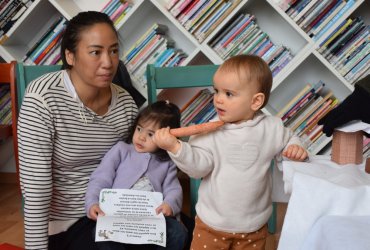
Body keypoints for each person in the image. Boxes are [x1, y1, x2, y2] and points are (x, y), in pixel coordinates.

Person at [154, 54, 308, 250]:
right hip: (211, 224)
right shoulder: (210, 131)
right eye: (216, 91)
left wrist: (295, 147)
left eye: (228, 94)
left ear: (255, 101)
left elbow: (290, 138)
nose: (218, 99)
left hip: (254, 226)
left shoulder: (271, 128)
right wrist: (175, 147)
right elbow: (197, 168)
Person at [17, 11, 138, 250]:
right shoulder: (42, 98)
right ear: (70, 56)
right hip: (67, 222)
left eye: (113, 51)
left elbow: (136, 166)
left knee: (181, 233)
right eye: (96, 52)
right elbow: (36, 190)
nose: (108, 62)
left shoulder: (125, 103)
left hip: (113, 212)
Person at [85, 100, 187, 250]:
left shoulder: (167, 163)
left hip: (151, 220)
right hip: (118, 216)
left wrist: (169, 205)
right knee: (100, 235)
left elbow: (173, 189)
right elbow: (100, 178)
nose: (141, 137)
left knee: (179, 233)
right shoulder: (121, 150)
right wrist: (92, 202)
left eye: (151, 134)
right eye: (139, 129)